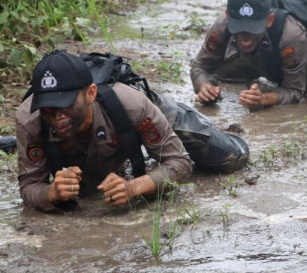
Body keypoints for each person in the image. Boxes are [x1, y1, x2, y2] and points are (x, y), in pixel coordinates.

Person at [16, 51, 193, 212]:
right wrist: (51, 192)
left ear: (90, 94)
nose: (57, 117)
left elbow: (180, 161)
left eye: (65, 105)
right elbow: (29, 185)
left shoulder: (132, 105)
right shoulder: (30, 119)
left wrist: (134, 186)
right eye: (48, 108)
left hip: (149, 108)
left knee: (213, 150)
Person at [191, 0, 307, 108]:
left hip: (306, 70)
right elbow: (201, 67)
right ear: (227, 16)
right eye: (238, 28)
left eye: (253, 29)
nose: (245, 39)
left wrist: (264, 99)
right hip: (258, 56)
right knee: (222, 73)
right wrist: (205, 87)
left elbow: (294, 91)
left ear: (269, 20)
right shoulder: (223, 24)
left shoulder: (292, 35)